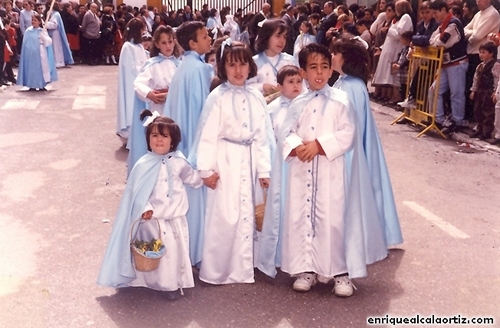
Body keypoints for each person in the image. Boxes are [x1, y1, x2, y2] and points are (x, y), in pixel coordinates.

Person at [257, 43, 357, 297]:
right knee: (301, 219)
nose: (320, 73)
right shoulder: (297, 102)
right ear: (303, 72)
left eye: (325, 67)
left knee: (332, 219)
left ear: (331, 70)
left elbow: (348, 133)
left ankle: (339, 273)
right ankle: (305, 269)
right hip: (301, 172)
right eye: (313, 68)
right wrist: (294, 146)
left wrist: (320, 146)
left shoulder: (340, 100)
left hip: (330, 171)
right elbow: (284, 132)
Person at [97, 112, 204, 301]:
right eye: (154, 135)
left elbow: (192, 178)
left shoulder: (179, 162)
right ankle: (149, 282)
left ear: (173, 141)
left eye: (164, 136)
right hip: (153, 219)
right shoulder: (143, 164)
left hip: (175, 218)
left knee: (173, 253)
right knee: (155, 253)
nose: (159, 140)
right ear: (148, 140)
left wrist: (206, 178)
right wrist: (145, 207)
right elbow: (135, 193)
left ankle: (171, 284)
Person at [190, 40, 273, 284]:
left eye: (243, 64)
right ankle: (219, 269)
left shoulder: (256, 97)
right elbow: (207, 136)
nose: (238, 70)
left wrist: (265, 168)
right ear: (223, 68)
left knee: (250, 212)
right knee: (225, 215)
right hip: (225, 161)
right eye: (231, 65)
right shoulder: (218, 97)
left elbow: (262, 136)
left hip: (249, 161)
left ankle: (247, 265)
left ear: (250, 66)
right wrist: (206, 169)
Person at [330, 35, 403, 279]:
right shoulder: (343, 81)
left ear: (346, 58)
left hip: (351, 150)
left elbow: (352, 124)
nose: (331, 57)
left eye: (335, 53)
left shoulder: (352, 86)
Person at [163, 20, 213, 266]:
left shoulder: (185, 66)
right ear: (193, 43)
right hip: (193, 138)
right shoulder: (200, 69)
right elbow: (202, 111)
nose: (209, 39)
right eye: (205, 36)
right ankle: (196, 253)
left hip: (180, 140)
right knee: (195, 196)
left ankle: (185, 252)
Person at [129, 25, 181, 172]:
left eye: (170, 42)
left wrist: (173, 94)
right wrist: (150, 94)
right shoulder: (152, 65)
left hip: (174, 108)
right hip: (158, 108)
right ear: (157, 44)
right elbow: (139, 83)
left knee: (173, 139)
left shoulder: (180, 64)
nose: (168, 46)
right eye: (164, 43)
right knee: (159, 139)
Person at [428, 0, 468, 134]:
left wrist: (437, 40)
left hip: (457, 63)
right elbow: (431, 40)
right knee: (434, 90)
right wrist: (436, 40)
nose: (434, 16)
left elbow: (440, 43)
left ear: (444, 10)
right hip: (445, 64)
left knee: (456, 93)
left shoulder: (453, 23)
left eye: (435, 12)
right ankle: (438, 119)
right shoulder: (442, 26)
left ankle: (457, 121)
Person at [463, 0, 500, 122]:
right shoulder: (478, 14)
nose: (478, 2)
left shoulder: (492, 14)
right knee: (471, 86)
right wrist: (474, 32)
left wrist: (474, 33)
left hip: (485, 55)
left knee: (482, 92)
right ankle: (472, 118)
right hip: (473, 53)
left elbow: (476, 37)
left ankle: (480, 122)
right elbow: (465, 30)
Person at [372, 0, 413, 104]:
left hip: (397, 48)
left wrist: (388, 31)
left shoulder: (406, 17)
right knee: (389, 73)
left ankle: (396, 96)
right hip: (389, 48)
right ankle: (390, 95)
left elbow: (400, 34)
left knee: (395, 74)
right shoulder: (397, 20)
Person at [116, 18, 148, 145]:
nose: (144, 32)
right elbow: (130, 69)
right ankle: (129, 135)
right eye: (142, 30)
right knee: (130, 108)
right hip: (131, 84)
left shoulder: (139, 46)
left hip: (141, 82)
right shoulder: (127, 47)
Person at [248, 19, 298, 97]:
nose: (282, 41)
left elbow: (301, 86)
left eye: (284, 37)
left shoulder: (290, 61)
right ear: (266, 37)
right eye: (278, 36)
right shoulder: (254, 62)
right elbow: (246, 87)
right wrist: (263, 86)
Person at [17, 14, 57, 91]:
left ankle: (41, 84)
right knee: (31, 69)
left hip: (41, 53)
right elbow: (25, 44)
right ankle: (31, 84)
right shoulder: (28, 31)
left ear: (39, 22)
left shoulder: (42, 31)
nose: (33, 22)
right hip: (30, 55)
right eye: (32, 20)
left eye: (35, 20)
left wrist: (43, 38)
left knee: (41, 69)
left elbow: (49, 42)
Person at [469, 41, 500, 140]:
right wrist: (473, 90)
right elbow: (476, 79)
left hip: (489, 91)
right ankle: (479, 129)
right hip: (480, 91)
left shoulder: (495, 65)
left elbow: (496, 79)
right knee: (478, 110)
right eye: (480, 52)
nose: (481, 55)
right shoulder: (480, 66)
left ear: (491, 53)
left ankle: (486, 132)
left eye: (484, 52)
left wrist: (495, 92)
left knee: (488, 112)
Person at [268, 65, 303, 133]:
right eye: (291, 82)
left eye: (298, 81)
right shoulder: (271, 109)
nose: (296, 85)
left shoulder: (306, 104)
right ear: (280, 87)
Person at [44, 1, 73, 68]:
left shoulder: (56, 14)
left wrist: (46, 24)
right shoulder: (50, 13)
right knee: (53, 47)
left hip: (56, 33)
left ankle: (59, 62)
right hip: (51, 33)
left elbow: (55, 25)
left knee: (57, 48)